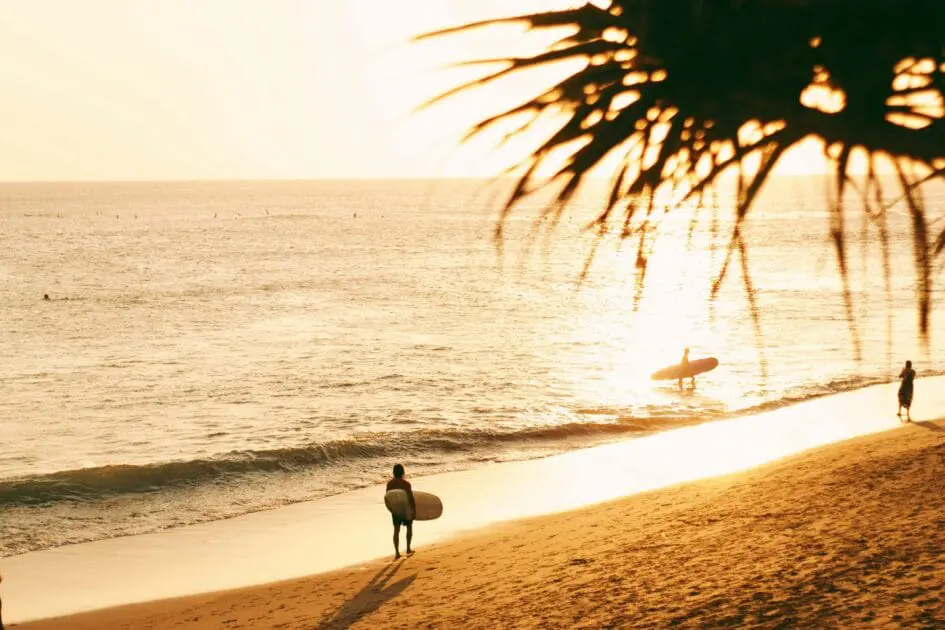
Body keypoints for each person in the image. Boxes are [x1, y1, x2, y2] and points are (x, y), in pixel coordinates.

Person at [386, 463, 416, 559]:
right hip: (405, 508)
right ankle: (408, 548)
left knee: (396, 530)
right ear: (403, 472)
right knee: (409, 527)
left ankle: (397, 552)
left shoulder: (390, 484)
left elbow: (388, 497)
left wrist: (391, 509)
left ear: (394, 473)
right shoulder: (406, 484)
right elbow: (411, 498)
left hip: (395, 509)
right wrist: (413, 510)